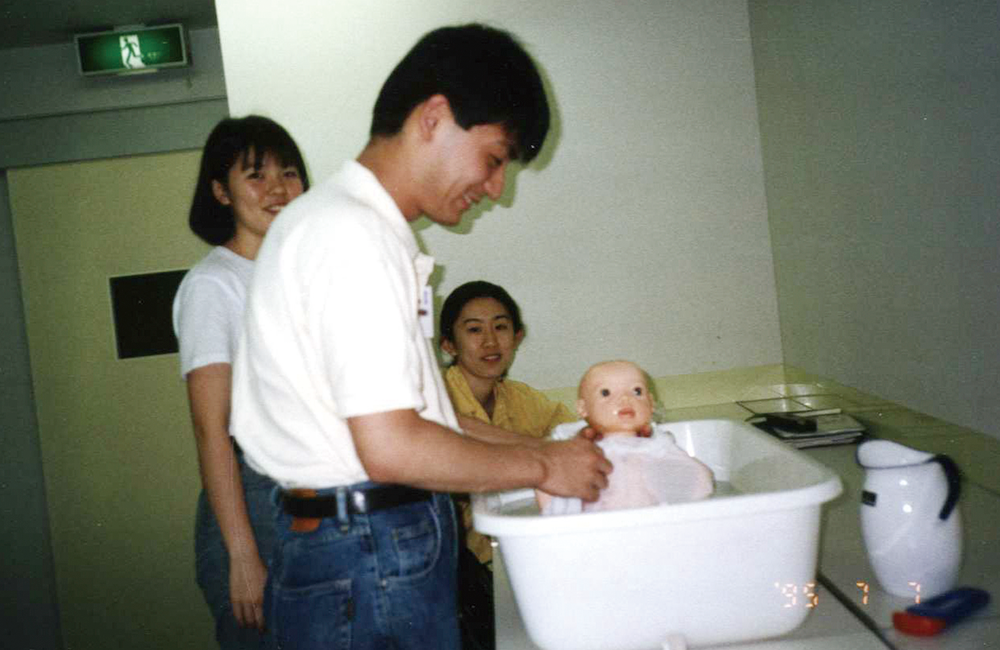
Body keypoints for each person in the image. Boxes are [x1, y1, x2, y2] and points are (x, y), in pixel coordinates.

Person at [229, 24, 612, 650]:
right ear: (434, 116)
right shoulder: (352, 236)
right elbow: (392, 447)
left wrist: (550, 452)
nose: (497, 189)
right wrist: (543, 463)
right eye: (493, 159)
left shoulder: (345, 225)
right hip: (367, 550)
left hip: (360, 542)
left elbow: (429, 422)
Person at [172, 115, 309, 649]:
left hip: (306, 494)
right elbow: (212, 429)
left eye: (289, 173)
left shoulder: (297, 277)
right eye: (256, 175)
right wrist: (242, 553)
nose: (277, 189)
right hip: (253, 508)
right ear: (219, 192)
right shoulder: (214, 284)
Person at [439, 280, 579, 649]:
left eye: (500, 327)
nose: (490, 341)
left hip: (516, 562)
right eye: (474, 330)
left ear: (517, 337)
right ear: (448, 345)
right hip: (455, 571)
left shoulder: (521, 398)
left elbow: (573, 440)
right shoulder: (432, 396)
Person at [537, 360, 715, 515]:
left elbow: (699, 481)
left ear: (651, 404)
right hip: (594, 524)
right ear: (583, 408)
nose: (625, 399)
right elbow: (550, 477)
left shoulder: (657, 443)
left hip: (649, 520)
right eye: (606, 393)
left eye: (636, 391)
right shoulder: (577, 444)